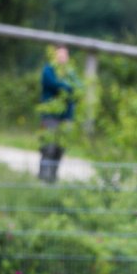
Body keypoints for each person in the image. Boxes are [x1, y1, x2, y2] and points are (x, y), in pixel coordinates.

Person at [37, 45, 79, 183]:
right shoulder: (48, 70)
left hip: (65, 116)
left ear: (68, 57)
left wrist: (69, 86)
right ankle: (43, 178)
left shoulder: (70, 72)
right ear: (54, 56)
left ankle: (53, 179)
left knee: (60, 149)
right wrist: (67, 86)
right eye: (59, 55)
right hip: (50, 114)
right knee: (48, 147)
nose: (62, 58)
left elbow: (79, 87)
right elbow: (54, 84)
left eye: (64, 55)